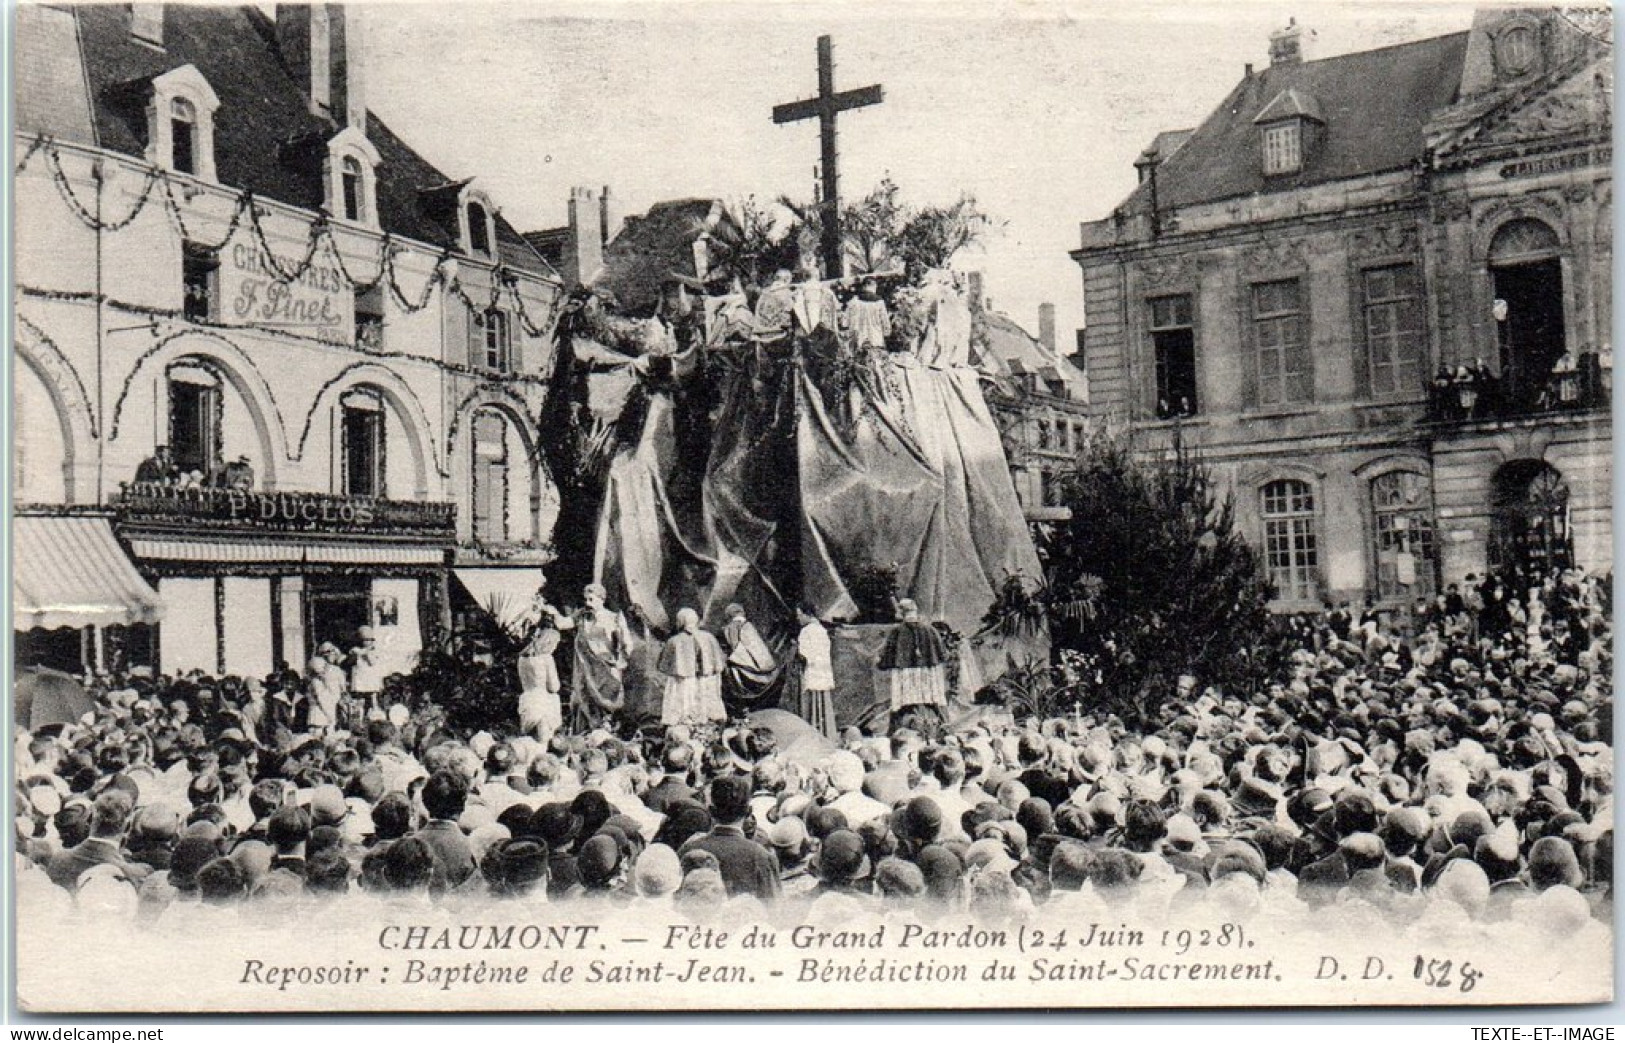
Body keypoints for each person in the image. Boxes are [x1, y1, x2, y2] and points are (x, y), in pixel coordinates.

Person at [570, 584, 633, 730]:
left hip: (607, 669)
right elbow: (563, 623)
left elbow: (627, 643)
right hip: (587, 669)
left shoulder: (613, 618)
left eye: (591, 599)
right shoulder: (582, 617)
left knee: (607, 705)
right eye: (586, 599)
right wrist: (547, 610)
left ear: (601, 599)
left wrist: (620, 661)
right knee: (586, 703)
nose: (587, 603)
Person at [875, 599, 949, 723]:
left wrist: (880, 663)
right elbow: (943, 654)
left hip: (905, 676)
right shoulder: (930, 630)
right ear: (915, 611)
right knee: (935, 701)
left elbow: (885, 658)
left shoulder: (896, 632)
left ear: (902, 613)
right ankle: (944, 725)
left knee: (902, 705)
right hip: (928, 674)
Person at [518, 583, 573, 744]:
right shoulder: (546, 658)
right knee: (545, 741)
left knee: (530, 740)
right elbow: (554, 686)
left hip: (528, 699)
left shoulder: (523, 657)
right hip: (544, 702)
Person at [657, 608, 726, 727]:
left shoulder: (674, 641)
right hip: (706, 680)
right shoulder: (709, 637)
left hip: (684, 682)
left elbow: (663, 666)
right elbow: (719, 661)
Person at [720, 603, 779, 717]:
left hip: (745, 666)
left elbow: (735, 647)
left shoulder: (732, 627)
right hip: (766, 666)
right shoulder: (748, 625)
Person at [794, 607, 837, 740]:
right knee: (823, 703)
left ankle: (812, 734)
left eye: (799, 615)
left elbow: (803, 654)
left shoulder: (806, 631)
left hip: (811, 672)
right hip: (823, 672)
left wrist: (795, 650)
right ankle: (827, 733)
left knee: (811, 704)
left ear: (808, 614)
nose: (798, 618)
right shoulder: (822, 630)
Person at [305, 643, 347, 733]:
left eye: (332, 651)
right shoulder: (316, 679)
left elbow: (342, 689)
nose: (331, 654)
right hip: (321, 710)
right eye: (327, 652)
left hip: (334, 705)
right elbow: (321, 697)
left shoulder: (337, 670)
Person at [845, 275, 892, 350]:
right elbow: (885, 320)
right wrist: (887, 332)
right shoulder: (879, 302)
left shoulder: (854, 301)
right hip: (876, 337)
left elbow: (846, 321)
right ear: (872, 286)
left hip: (860, 338)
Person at [348, 628, 384, 714]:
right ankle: (359, 717)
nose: (367, 642)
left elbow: (372, 662)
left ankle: (375, 715)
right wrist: (354, 655)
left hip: (371, 679)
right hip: (360, 679)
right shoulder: (356, 650)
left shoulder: (374, 651)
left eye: (369, 640)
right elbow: (350, 662)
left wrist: (364, 653)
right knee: (360, 700)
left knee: (373, 699)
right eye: (364, 640)